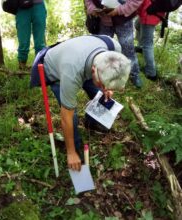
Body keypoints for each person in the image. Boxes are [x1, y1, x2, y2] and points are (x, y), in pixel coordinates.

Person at [30, 35, 131, 171]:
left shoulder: (114, 48)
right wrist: (70, 152)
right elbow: (66, 117)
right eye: (104, 84)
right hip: (56, 72)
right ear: (94, 71)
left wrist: (106, 87)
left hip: (85, 61)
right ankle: (75, 151)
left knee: (99, 96)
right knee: (73, 116)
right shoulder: (70, 73)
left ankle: (92, 122)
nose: (107, 89)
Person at [85, 0, 143, 88]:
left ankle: (134, 74)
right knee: (102, 50)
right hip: (103, 21)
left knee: (128, 49)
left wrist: (119, 10)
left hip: (124, 21)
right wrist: (92, 9)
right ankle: (102, 75)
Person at [134, 0, 165, 81]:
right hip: (153, 12)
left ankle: (151, 73)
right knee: (137, 24)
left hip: (149, 15)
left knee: (147, 45)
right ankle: (141, 47)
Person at [16, 0, 47, 70]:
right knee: (23, 42)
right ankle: (21, 69)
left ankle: (40, 69)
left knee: (40, 43)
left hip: (39, 5)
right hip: (21, 7)